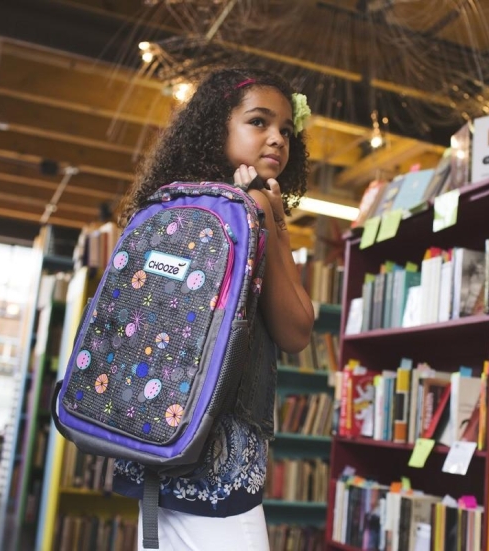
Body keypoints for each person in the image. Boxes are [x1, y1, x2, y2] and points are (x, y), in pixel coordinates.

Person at [112, 67, 315, 550]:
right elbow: (297, 330)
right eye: (259, 122)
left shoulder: (171, 205)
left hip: (147, 437)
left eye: (286, 130)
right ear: (217, 126)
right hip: (217, 459)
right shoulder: (248, 209)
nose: (277, 138)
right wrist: (271, 218)